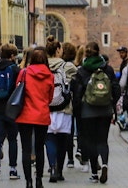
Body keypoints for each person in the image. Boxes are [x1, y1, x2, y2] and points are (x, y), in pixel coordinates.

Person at [70, 41, 119, 184]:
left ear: (86, 54)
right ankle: (104, 164)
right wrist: (112, 104)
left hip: (88, 110)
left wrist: (77, 110)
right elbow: (116, 88)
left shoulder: (82, 71)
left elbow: (77, 93)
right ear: (99, 52)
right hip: (105, 110)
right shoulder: (108, 69)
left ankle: (94, 174)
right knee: (103, 140)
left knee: (91, 141)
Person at [14, 47, 55, 188]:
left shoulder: (24, 73)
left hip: (25, 115)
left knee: (26, 149)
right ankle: (39, 180)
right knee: (39, 148)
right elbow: (50, 98)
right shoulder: (50, 76)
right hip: (42, 115)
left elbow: (17, 90)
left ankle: (28, 181)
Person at [45, 41, 77, 183]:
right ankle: (60, 171)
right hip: (64, 108)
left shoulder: (43, 66)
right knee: (62, 141)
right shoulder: (68, 66)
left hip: (46, 108)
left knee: (50, 139)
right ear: (58, 50)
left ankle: (52, 166)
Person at [0, 43, 21, 181]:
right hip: (12, 108)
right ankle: (13, 169)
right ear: (12, 55)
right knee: (13, 140)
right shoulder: (15, 69)